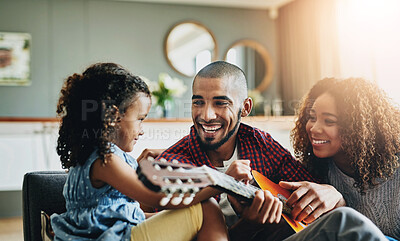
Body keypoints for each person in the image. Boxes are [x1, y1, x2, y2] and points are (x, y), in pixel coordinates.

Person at [142, 61, 346, 240]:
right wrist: (249, 226)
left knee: (347, 222)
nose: (207, 115)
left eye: (220, 103)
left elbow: (315, 197)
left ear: (246, 107)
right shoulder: (172, 165)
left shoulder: (260, 144)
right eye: (198, 102)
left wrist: (333, 194)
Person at [50, 63, 229, 241]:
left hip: (114, 232)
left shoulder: (92, 155)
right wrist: (218, 183)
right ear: (112, 116)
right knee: (207, 207)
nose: (142, 130)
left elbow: (126, 211)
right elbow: (157, 198)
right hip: (114, 238)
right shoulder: (106, 160)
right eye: (140, 119)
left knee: (199, 209)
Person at [291, 77, 400, 240]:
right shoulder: (313, 169)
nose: (314, 128)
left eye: (329, 121)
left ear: (358, 128)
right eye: (312, 117)